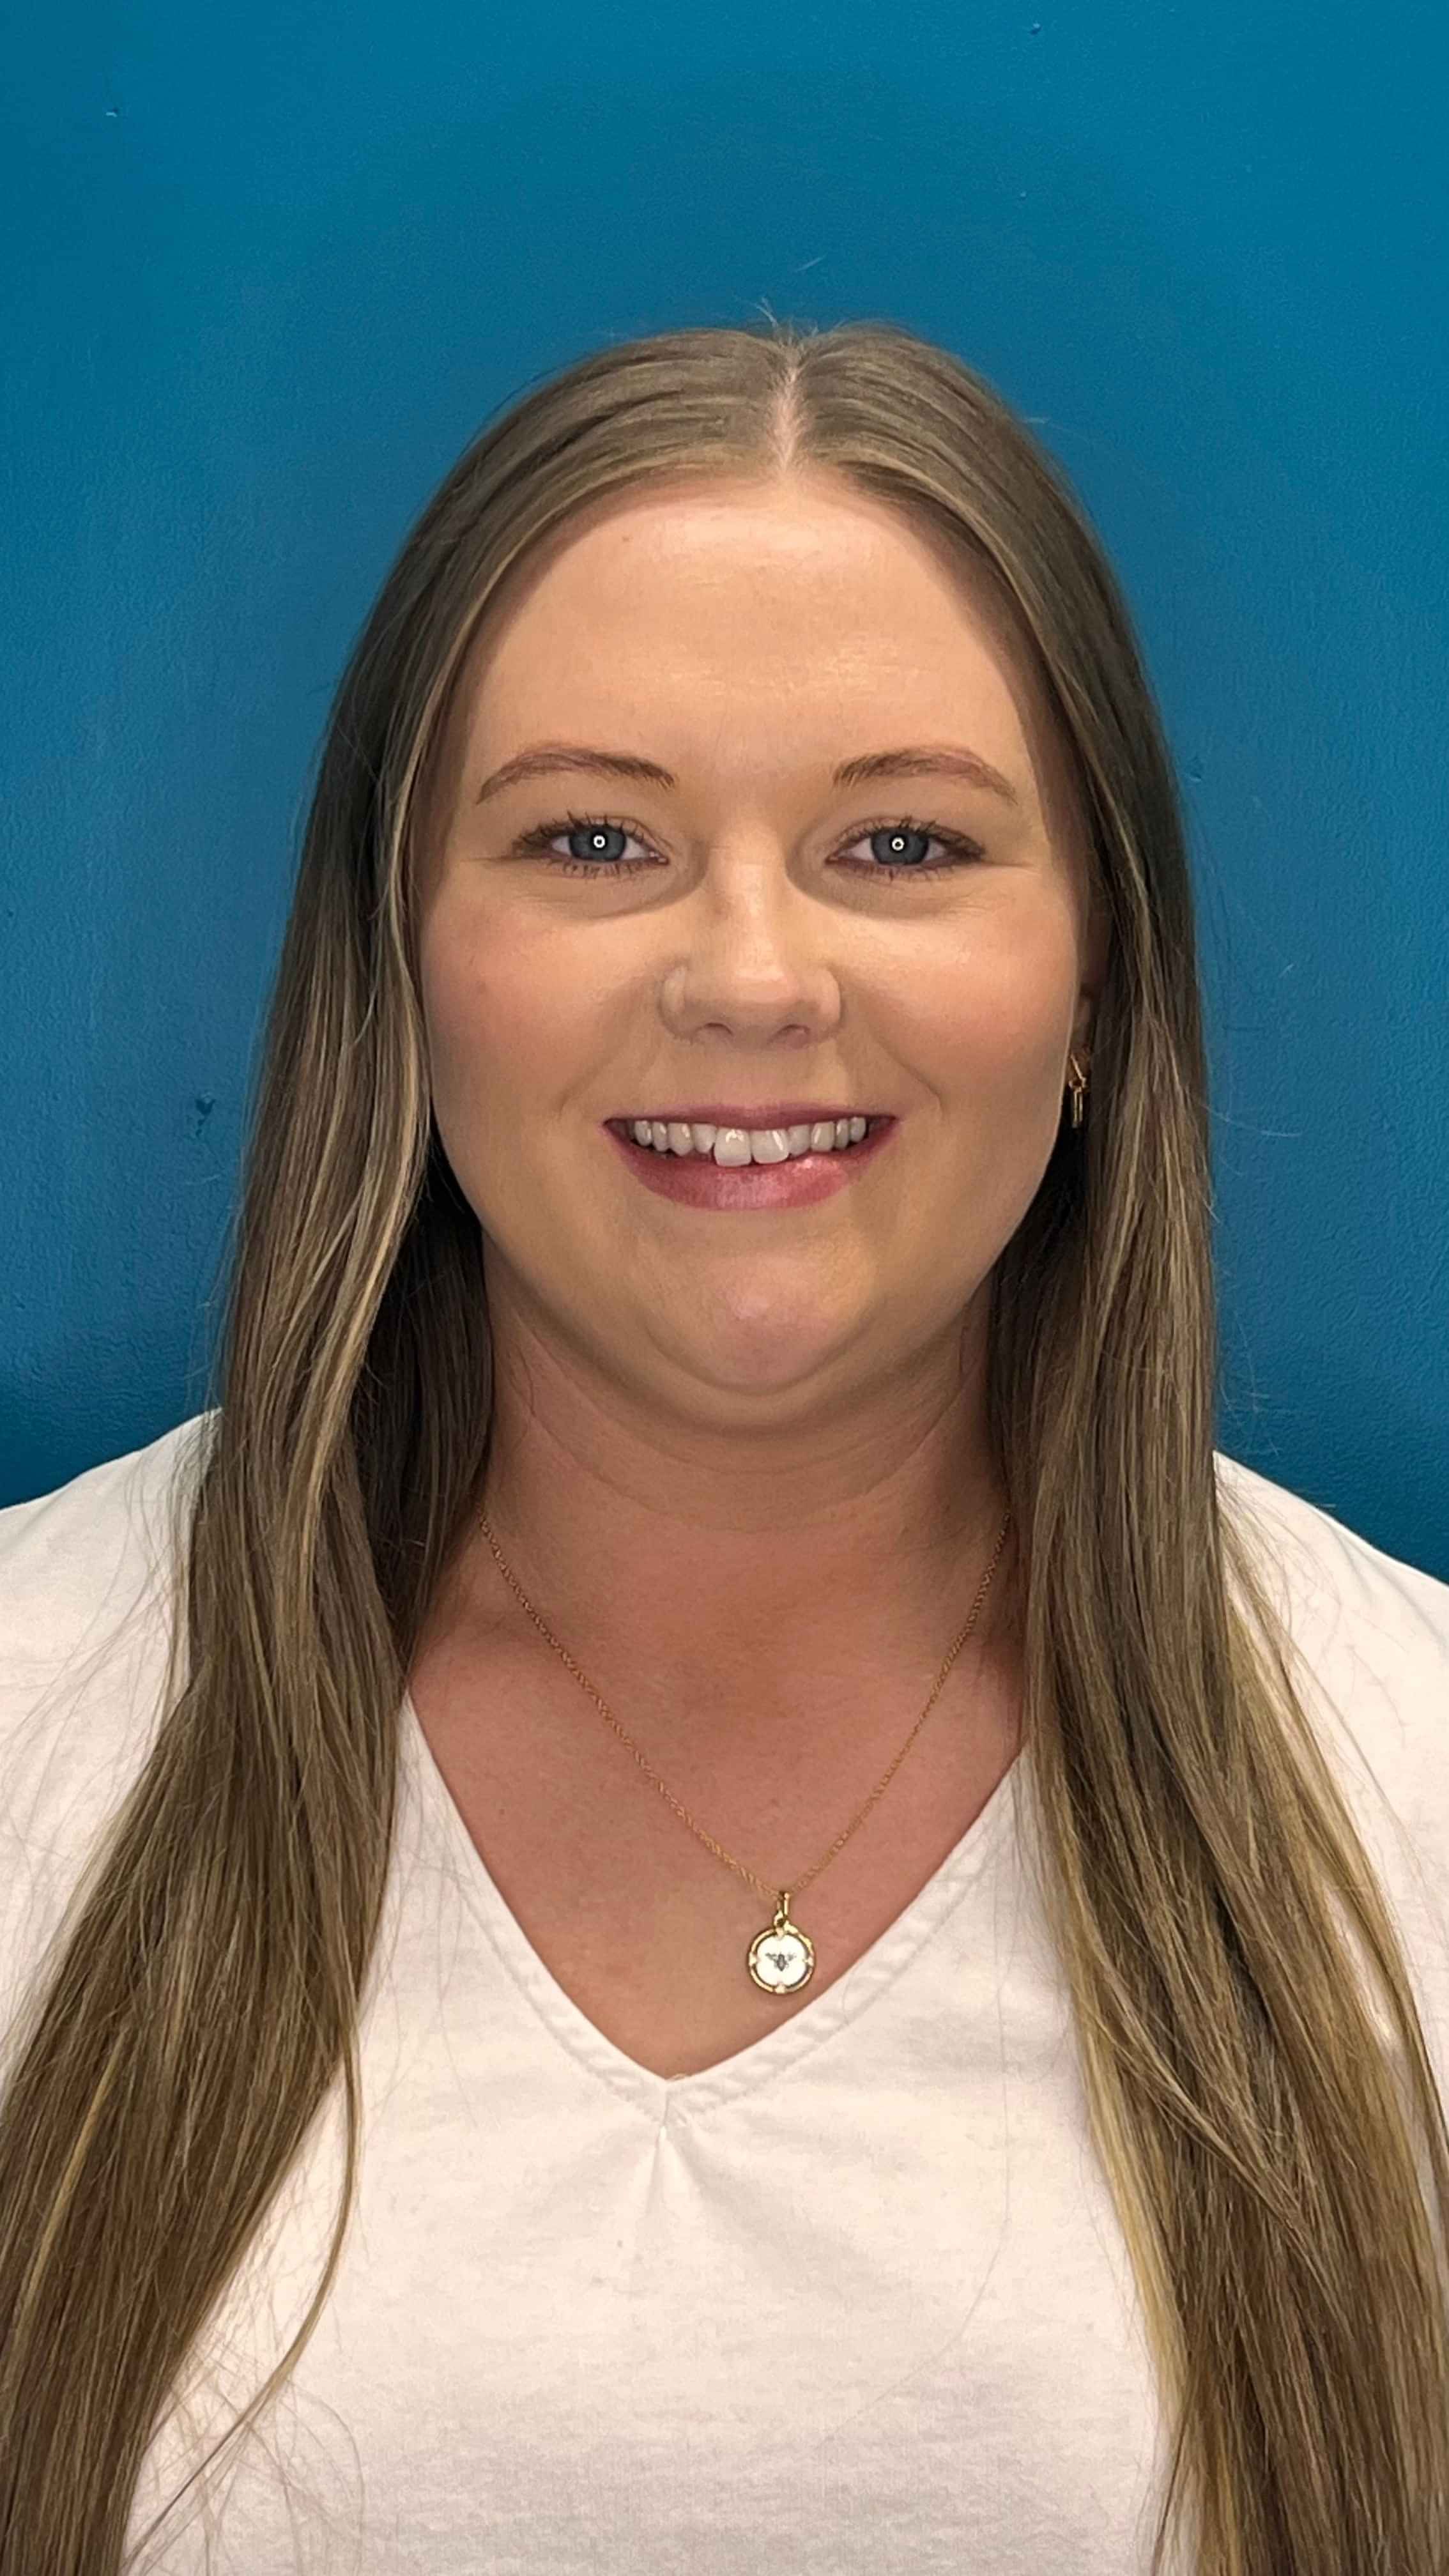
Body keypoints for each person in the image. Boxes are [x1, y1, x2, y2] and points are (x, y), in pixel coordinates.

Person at [2, 318, 1447, 2576]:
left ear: (1096, 979)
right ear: (405, 966)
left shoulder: (1411, 1773)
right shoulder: (35, 1707)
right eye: (592, 840)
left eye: (902, 841)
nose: (752, 976)